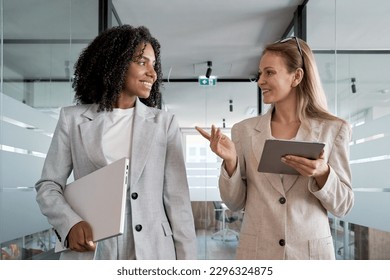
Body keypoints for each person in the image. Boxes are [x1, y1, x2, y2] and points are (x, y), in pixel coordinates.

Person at [35, 25, 197, 260]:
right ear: (115, 63)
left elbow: (178, 201)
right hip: (93, 252)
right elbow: (48, 185)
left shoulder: (164, 123)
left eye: (154, 64)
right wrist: (69, 223)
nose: (153, 73)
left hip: (153, 252)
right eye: (142, 62)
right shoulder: (72, 119)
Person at [196, 37, 354, 260]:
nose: (260, 81)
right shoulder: (244, 131)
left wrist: (323, 174)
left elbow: (344, 205)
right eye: (260, 73)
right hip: (258, 254)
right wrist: (231, 162)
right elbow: (234, 203)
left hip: (311, 257)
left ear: (296, 76)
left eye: (269, 73)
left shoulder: (334, 130)